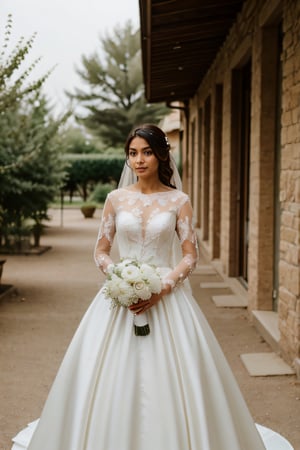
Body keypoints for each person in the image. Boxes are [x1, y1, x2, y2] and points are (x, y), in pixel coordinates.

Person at [13, 124, 267, 450]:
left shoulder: (179, 200)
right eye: (133, 153)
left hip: (168, 299)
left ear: (161, 155)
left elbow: (190, 256)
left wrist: (162, 287)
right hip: (120, 300)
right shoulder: (115, 199)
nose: (139, 160)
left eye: (146, 152)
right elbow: (100, 251)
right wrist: (120, 277)